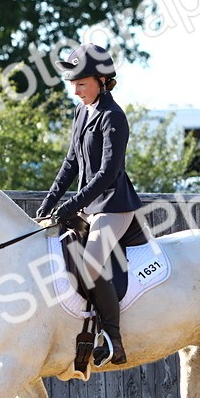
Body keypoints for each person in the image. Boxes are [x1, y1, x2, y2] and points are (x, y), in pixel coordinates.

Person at [36, 44, 142, 366]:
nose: (75, 90)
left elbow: (108, 173)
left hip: (113, 206)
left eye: (81, 83)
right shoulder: (82, 112)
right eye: (73, 84)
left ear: (101, 79)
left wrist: (70, 206)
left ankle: (113, 338)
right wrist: (49, 201)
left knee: (92, 262)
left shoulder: (114, 117)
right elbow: (71, 162)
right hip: (89, 206)